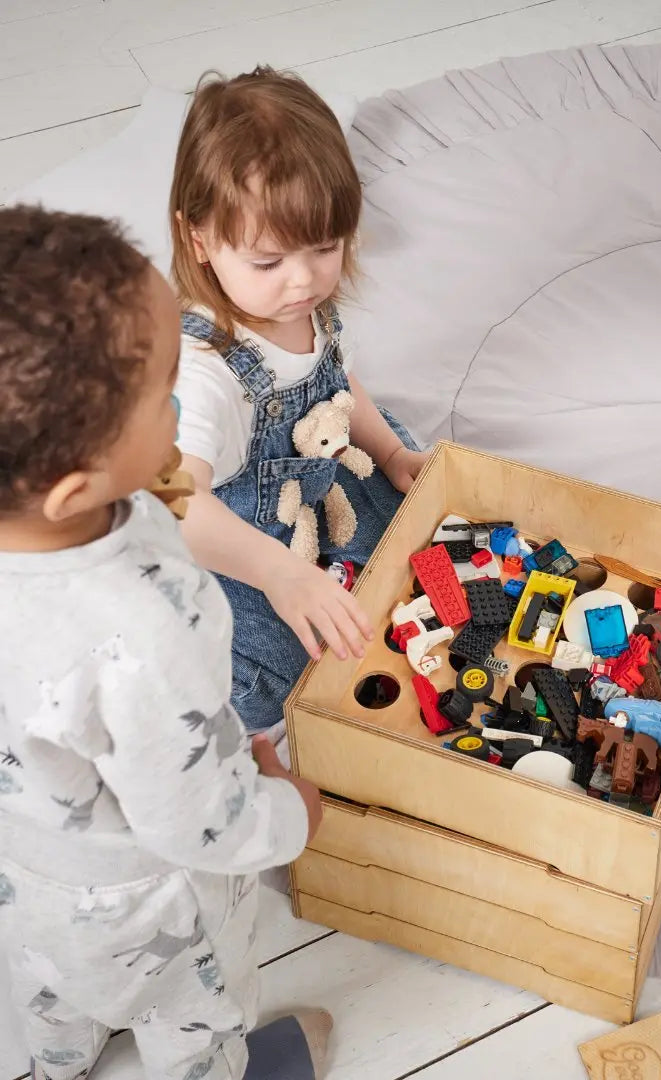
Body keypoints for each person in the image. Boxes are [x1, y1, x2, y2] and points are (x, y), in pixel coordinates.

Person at [0, 206, 332, 1080]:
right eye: (165, 398)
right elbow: (199, 824)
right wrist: (292, 811)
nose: (185, 407)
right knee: (197, 1019)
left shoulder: (49, 517)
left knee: (50, 1001)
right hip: (150, 906)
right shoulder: (142, 633)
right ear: (75, 487)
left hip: (25, 882)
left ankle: (53, 1066)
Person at [171, 66, 429, 730]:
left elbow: (336, 386)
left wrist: (394, 451)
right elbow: (175, 505)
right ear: (198, 240)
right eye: (269, 262)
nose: (305, 280)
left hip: (312, 476)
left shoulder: (306, 300)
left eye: (325, 247)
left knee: (412, 532)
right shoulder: (205, 372)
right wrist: (283, 577)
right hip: (231, 540)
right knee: (293, 662)